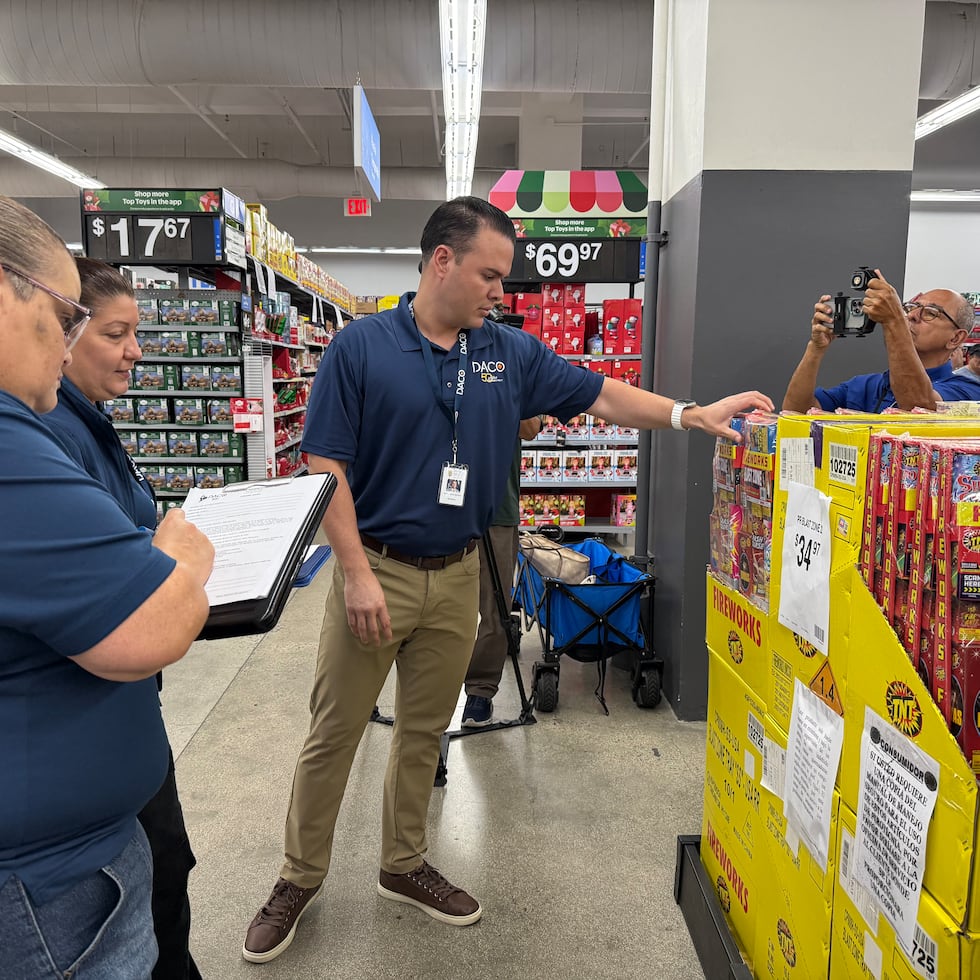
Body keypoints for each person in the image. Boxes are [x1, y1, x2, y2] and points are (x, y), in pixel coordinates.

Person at [242, 195, 772, 965]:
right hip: (378, 571)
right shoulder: (361, 347)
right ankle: (298, 878)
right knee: (335, 733)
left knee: (426, 731)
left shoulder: (505, 352)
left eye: (507, 278)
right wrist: (354, 574)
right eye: (491, 274)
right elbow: (326, 464)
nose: (502, 291)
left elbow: (600, 392)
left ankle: (403, 863)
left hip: (459, 574)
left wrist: (690, 413)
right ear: (441, 261)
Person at [0, 196, 214, 980]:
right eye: (66, 316)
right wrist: (181, 556)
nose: (71, 339)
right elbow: (151, 622)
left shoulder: (50, 420)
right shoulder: (14, 438)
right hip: (45, 895)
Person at [39, 258, 202, 980]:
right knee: (157, 877)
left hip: (124, 721)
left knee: (168, 867)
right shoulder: (45, 440)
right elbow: (115, 601)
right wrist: (169, 563)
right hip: (86, 735)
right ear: (61, 332)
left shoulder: (90, 422)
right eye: (116, 333)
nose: (137, 350)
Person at [782, 271, 980, 413]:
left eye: (930, 313)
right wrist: (815, 349)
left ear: (956, 338)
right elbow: (796, 413)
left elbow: (919, 408)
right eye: (911, 307)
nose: (911, 316)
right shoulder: (865, 385)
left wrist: (894, 321)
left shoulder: (967, 391)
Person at [461, 415, 543, 727]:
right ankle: (426, 687)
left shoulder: (512, 369)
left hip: (496, 507)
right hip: (438, 502)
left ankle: (480, 691)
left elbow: (531, 428)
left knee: (495, 607)